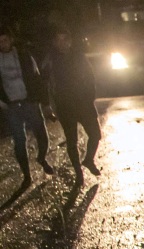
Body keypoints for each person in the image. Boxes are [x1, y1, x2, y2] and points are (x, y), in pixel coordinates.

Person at [42, 28, 100, 185]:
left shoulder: (78, 56)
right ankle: (78, 173)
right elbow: (42, 81)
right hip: (64, 105)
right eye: (58, 40)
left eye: (65, 39)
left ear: (70, 41)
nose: (62, 44)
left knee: (95, 135)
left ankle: (88, 160)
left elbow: (90, 77)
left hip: (83, 103)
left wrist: (90, 97)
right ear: (54, 42)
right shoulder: (51, 59)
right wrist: (47, 104)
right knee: (71, 141)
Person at [0, 26, 54, 188]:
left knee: (42, 134)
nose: (2, 44)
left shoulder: (23, 55)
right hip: (11, 105)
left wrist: (44, 103)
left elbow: (37, 79)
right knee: (19, 140)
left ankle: (41, 157)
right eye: (0, 42)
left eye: (5, 40)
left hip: (29, 101)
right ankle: (26, 175)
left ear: (11, 40)